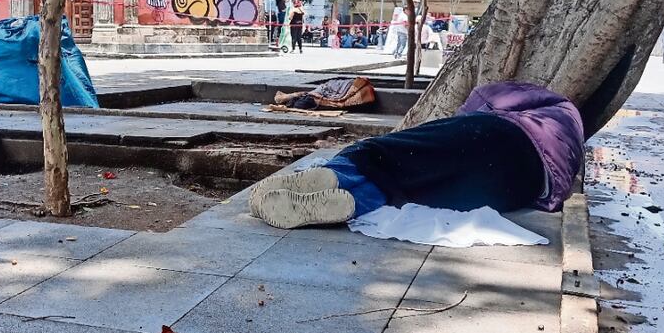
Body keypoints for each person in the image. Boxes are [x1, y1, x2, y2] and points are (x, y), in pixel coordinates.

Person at [248, 81, 587, 229]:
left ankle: (338, 173)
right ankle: (354, 200)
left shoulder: (527, 104)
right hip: (525, 186)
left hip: (500, 135)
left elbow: (481, 101)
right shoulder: (570, 131)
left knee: (397, 153)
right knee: (422, 191)